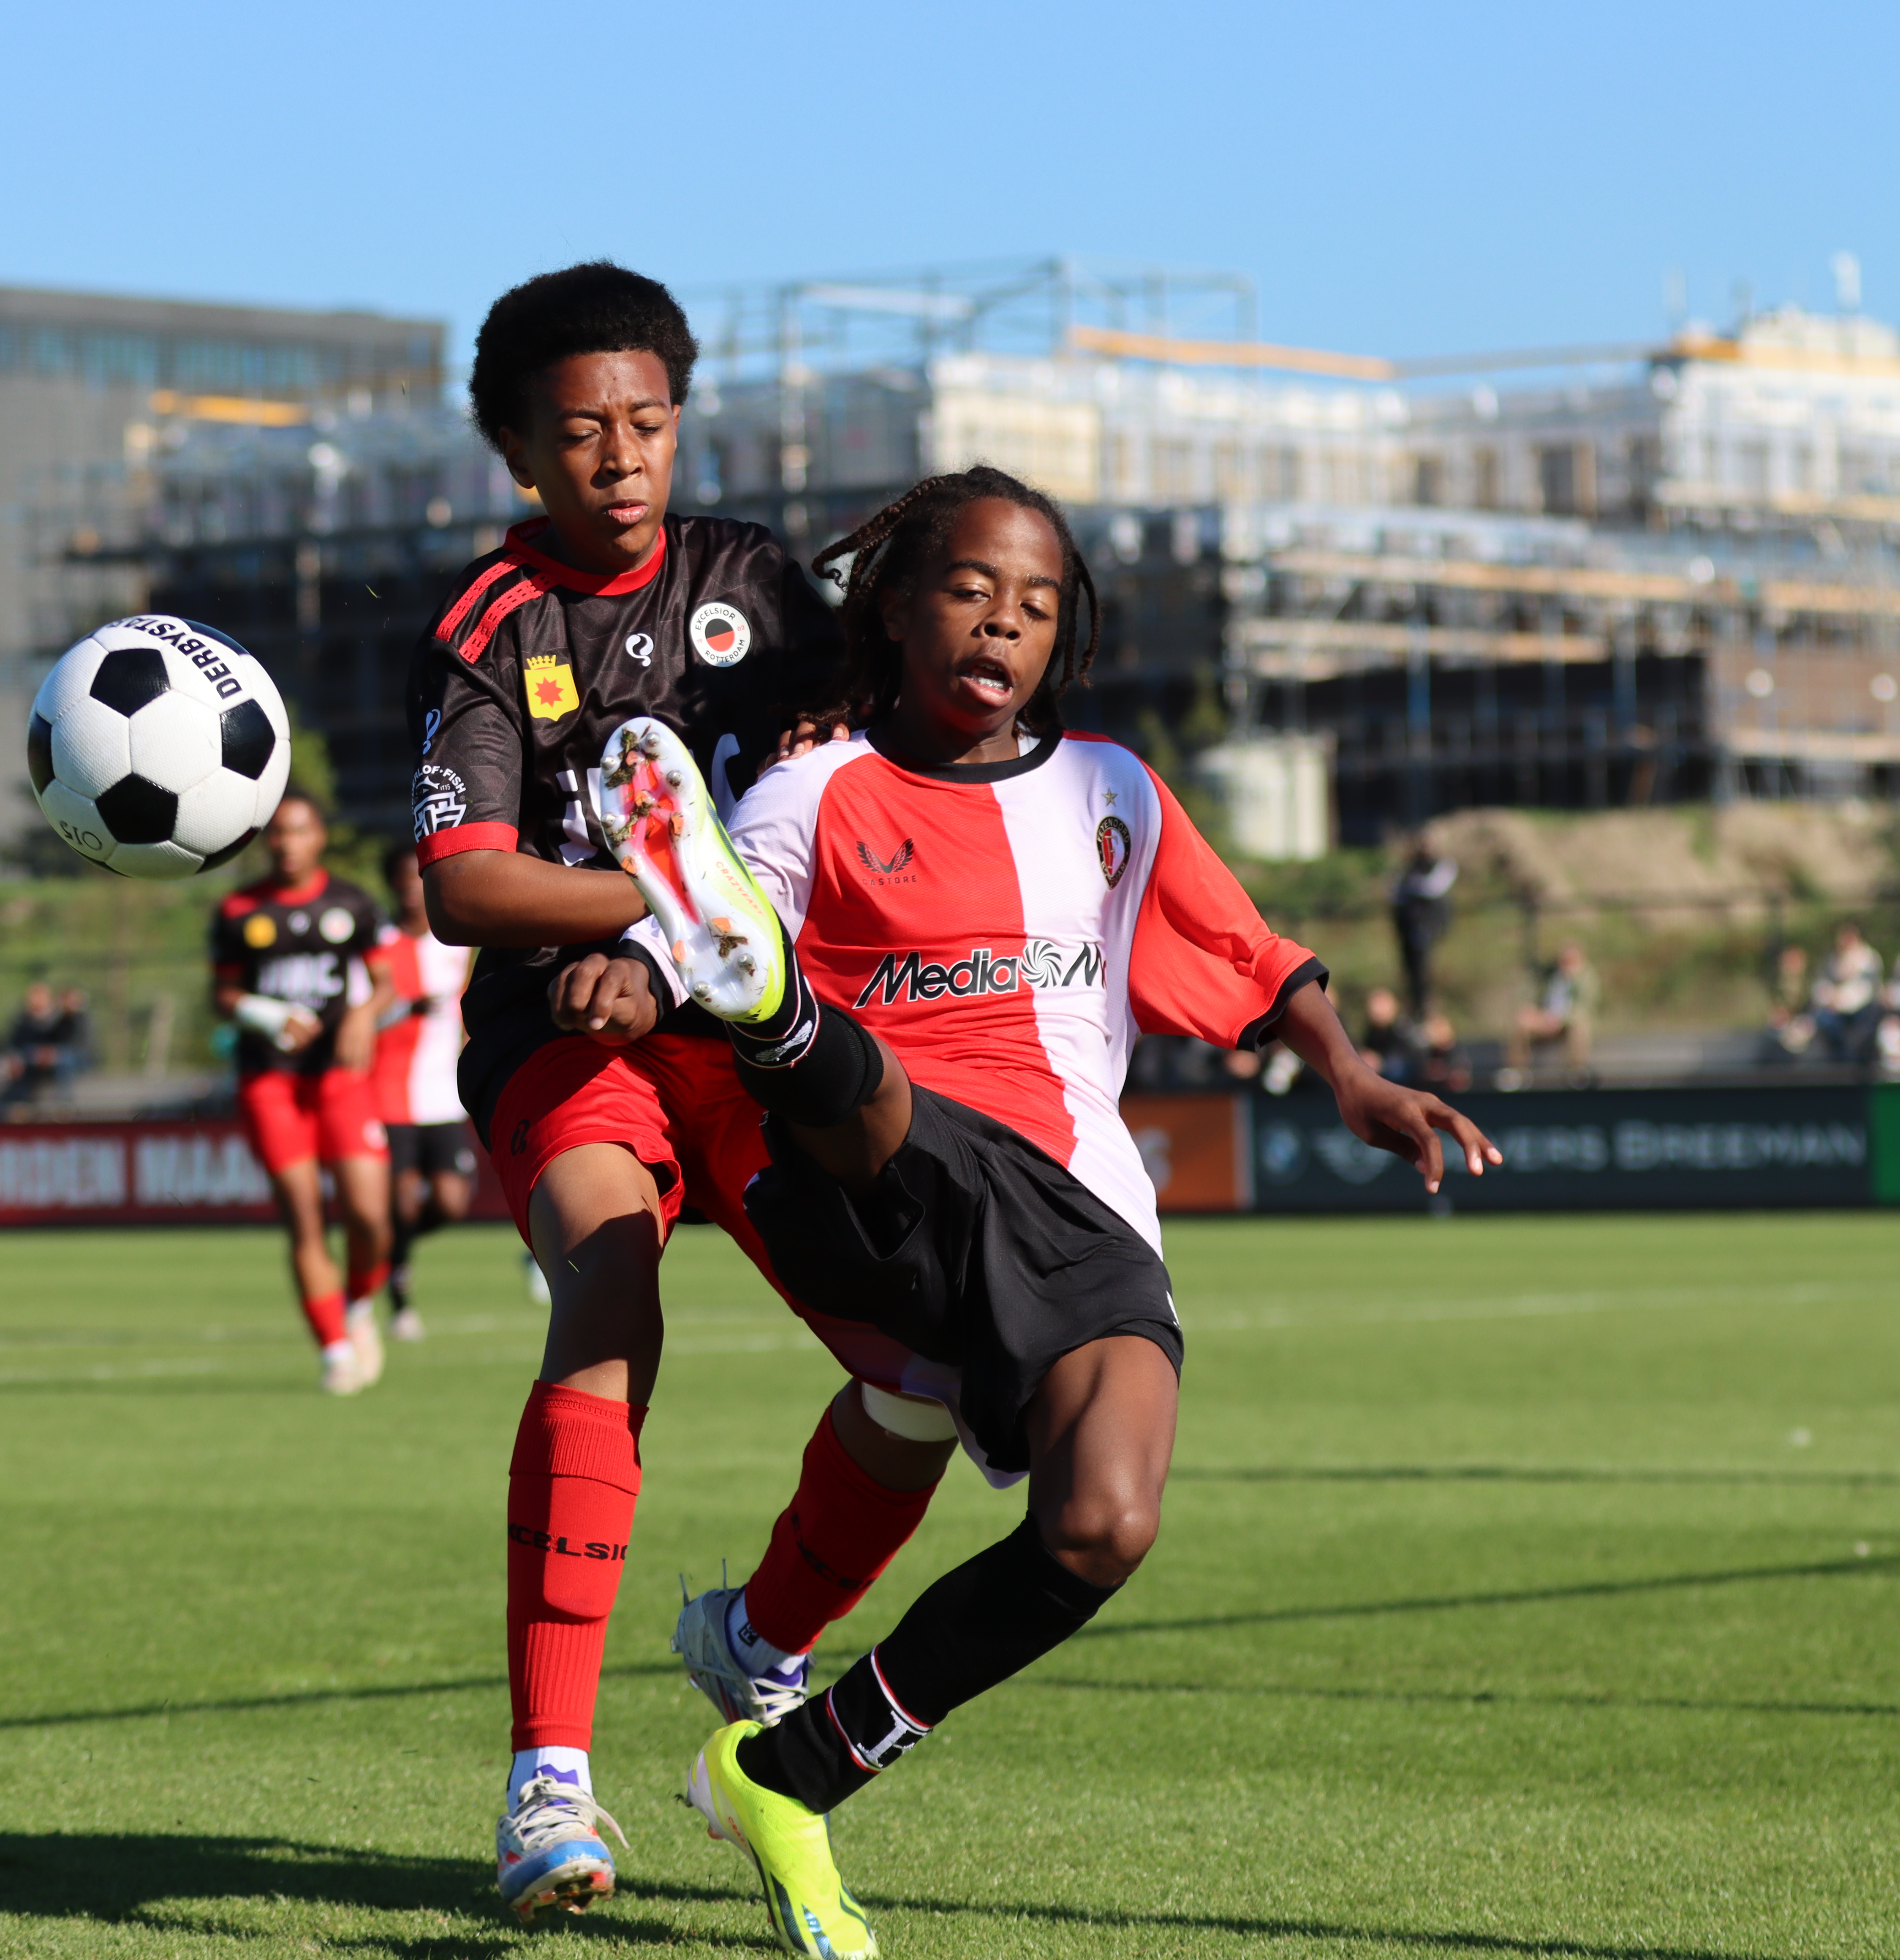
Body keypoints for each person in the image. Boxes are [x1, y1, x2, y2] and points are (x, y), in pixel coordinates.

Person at [546, 464, 1496, 1956]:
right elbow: (701, 920)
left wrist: (1356, 1079)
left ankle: (785, 1776)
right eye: (972, 589)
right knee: (867, 1096)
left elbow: (1249, 949)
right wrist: (653, 965)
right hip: (865, 1180)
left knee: (1102, 1527)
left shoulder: (1110, 792)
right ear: (899, 609)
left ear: (1066, 636)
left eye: (1038, 603)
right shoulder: (818, 789)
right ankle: (781, 1011)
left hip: (1084, 1216)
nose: (1004, 622)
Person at [406, 261, 944, 1922]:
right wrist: (662, 911)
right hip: (567, 1047)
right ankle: (546, 1784)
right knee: (610, 1293)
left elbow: (837, 782)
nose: (620, 456)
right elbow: (461, 883)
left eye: (646, 422)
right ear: (515, 450)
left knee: (924, 1370)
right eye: (580, 432)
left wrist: (898, 641)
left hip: (752, 1041)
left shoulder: (755, 583)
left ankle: (756, 1634)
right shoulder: (493, 628)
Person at [210, 791, 397, 1395]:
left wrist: (364, 1015)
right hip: (271, 1079)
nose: (287, 843)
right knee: (305, 1217)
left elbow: (386, 984)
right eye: (278, 834)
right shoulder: (240, 910)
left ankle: (361, 1303)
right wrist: (268, 1016)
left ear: (320, 837)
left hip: (339, 1079)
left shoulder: (352, 903)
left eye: (299, 831)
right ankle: (334, 1350)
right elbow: (224, 996)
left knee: (370, 1218)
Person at [370, 841, 476, 1341]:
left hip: (443, 1096)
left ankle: (385, 1248)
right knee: (403, 1200)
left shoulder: (457, 943)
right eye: (403, 877)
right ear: (392, 884)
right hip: (388, 1094)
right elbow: (357, 1014)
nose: (412, 887)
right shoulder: (379, 946)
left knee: (452, 1202)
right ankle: (400, 1296)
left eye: (419, 876)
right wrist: (404, 1009)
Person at [1504, 942, 1601, 1083]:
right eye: (1563, 960)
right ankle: (1516, 1073)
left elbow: (1585, 1008)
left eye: (1571, 961)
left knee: (1580, 1027)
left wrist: (1560, 1019)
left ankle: (1577, 1072)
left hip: (1567, 1023)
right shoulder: (1549, 976)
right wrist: (1534, 1013)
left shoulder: (1586, 978)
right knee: (1521, 1023)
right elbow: (1529, 996)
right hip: (1544, 1020)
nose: (1566, 964)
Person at [1391, 844, 1457, 1019]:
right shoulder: (1407, 873)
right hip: (1411, 931)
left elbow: (1433, 888)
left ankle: (1428, 1011)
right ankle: (1418, 1010)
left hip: (1428, 930)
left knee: (1425, 976)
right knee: (1414, 976)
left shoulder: (1440, 869)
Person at [1808, 921, 1883, 1065]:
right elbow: (1821, 986)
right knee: (1825, 1021)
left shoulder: (1868, 959)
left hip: (1862, 1012)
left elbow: (1866, 991)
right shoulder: (1832, 960)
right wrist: (1830, 998)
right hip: (1836, 1012)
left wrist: (1843, 1000)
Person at [6, 981, 78, 1103]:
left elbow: (68, 1041)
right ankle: (20, 1104)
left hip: (57, 1056)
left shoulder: (61, 1019)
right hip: (32, 1057)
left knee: (65, 1061)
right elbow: (17, 1044)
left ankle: (64, 1105)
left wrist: (51, 1053)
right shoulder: (23, 1021)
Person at [1357, 986, 1420, 1081]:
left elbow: (1410, 1063)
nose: (1375, 1010)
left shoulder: (1403, 1031)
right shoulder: (1373, 1033)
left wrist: (1381, 1064)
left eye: (1380, 1005)